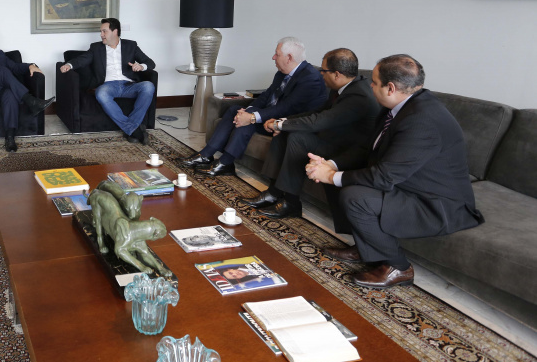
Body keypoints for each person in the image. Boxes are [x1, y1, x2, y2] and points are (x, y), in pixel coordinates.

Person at [305, 54, 484, 288]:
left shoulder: (423, 120)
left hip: (437, 204)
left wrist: (330, 176)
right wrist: (331, 165)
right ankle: (366, 248)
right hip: (409, 185)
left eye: (374, 82)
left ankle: (398, 267)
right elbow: (368, 149)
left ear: (390, 88)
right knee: (341, 179)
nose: (370, 85)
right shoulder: (400, 106)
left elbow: (384, 177)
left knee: (354, 195)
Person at [245, 48, 381, 221]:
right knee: (285, 132)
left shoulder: (358, 95)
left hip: (348, 151)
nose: (321, 74)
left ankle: (291, 203)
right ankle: (274, 191)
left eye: (323, 71)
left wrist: (281, 124)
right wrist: (282, 122)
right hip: (335, 139)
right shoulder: (342, 87)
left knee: (297, 137)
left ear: (337, 74)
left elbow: (320, 121)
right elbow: (317, 112)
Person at [181, 37, 327, 177]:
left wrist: (251, 117)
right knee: (234, 110)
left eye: (277, 54)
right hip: (270, 115)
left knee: (248, 123)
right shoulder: (282, 73)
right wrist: (248, 111)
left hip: (287, 123)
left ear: (289, 57)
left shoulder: (310, 78)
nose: (273, 57)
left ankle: (226, 163)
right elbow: (266, 96)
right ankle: (206, 155)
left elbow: (287, 108)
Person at [59, 18, 155, 144]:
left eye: (104, 31)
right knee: (101, 93)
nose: (101, 34)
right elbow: (82, 59)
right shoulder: (96, 48)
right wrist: (69, 65)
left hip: (129, 85)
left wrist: (142, 66)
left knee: (148, 86)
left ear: (115, 32)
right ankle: (135, 130)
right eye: (101, 31)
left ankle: (131, 128)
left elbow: (151, 63)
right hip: (108, 86)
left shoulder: (131, 46)